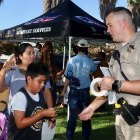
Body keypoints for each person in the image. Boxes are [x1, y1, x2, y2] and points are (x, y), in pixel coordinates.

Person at [79, 7, 140, 140]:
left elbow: (115, 84)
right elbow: (110, 87)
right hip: (122, 117)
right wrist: (92, 107)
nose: (107, 30)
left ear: (123, 23)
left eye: (110, 25)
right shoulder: (118, 50)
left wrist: (116, 84)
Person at [0, 43, 54, 119]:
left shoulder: (40, 70)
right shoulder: (12, 71)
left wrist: (50, 111)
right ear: (20, 56)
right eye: (29, 53)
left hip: (36, 113)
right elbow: (1, 89)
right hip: (16, 114)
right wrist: (3, 70)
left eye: (33, 53)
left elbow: (47, 92)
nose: (32, 56)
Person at [7, 62, 56, 140]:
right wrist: (42, 114)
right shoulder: (20, 97)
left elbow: (35, 114)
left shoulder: (41, 95)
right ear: (29, 79)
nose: (43, 85)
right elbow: (20, 123)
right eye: (40, 82)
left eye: (44, 82)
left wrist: (48, 117)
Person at [61, 39, 96, 140]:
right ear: (86, 48)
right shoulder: (90, 61)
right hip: (85, 91)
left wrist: (63, 90)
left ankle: (69, 136)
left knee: (73, 115)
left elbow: (68, 77)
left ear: (77, 48)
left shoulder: (71, 60)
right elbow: (92, 71)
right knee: (86, 114)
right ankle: (86, 137)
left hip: (74, 91)